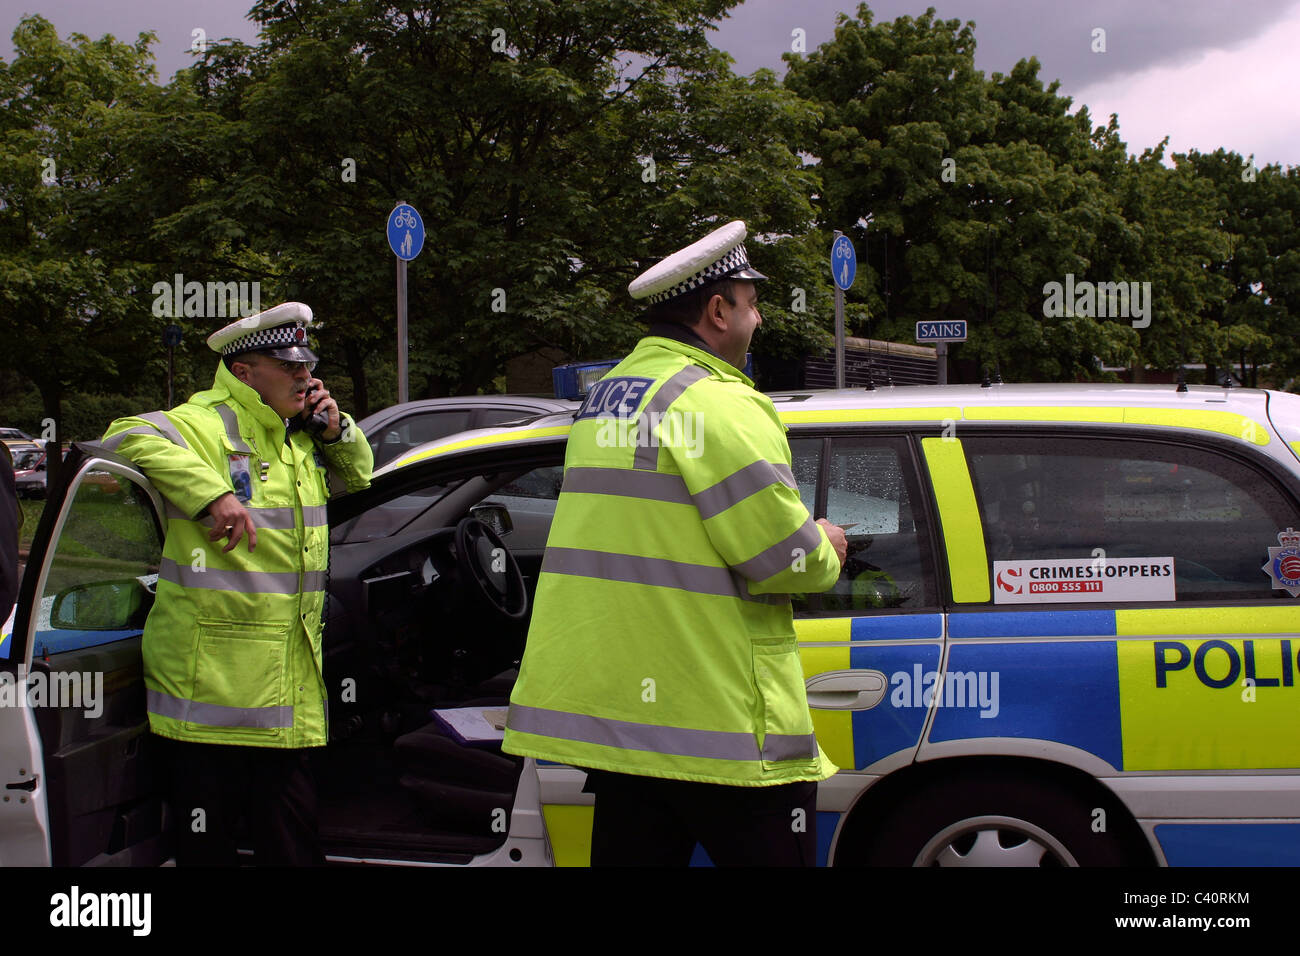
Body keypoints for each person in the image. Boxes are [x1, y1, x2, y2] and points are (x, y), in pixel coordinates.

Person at [502, 221, 848, 866]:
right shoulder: (719, 403)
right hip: (717, 719)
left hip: (627, 719)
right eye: (752, 302)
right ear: (718, 311)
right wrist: (826, 542)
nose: (761, 317)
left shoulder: (609, 395)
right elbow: (784, 561)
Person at [102, 301, 372, 865]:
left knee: (292, 844)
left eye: (307, 364)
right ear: (245, 371)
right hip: (211, 696)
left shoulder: (299, 436)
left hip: (283, 686)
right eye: (288, 364)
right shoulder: (203, 423)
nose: (304, 375)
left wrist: (336, 428)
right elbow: (125, 436)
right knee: (209, 849)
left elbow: (360, 478)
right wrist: (210, 493)